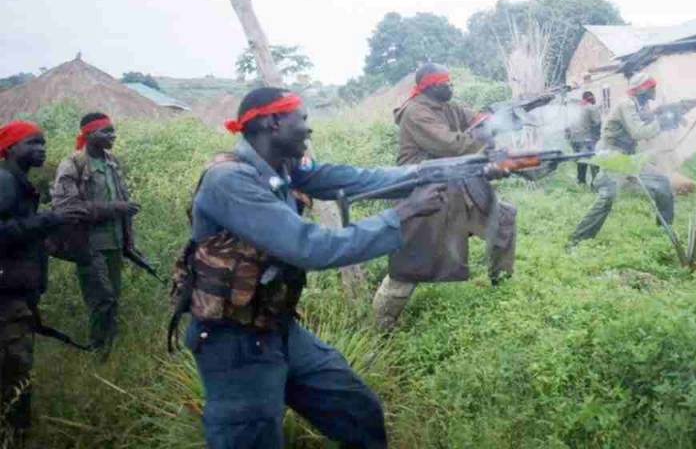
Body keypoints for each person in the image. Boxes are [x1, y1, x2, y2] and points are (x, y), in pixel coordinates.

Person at [182, 87, 445, 448]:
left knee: (355, 409)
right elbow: (311, 247)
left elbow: (357, 179)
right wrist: (402, 215)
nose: (309, 129)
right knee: (251, 438)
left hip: (278, 328)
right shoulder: (229, 181)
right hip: (234, 343)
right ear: (274, 122)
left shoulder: (283, 169)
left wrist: (436, 172)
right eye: (302, 119)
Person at [372, 63, 517, 331]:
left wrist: (503, 118)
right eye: (446, 83)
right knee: (409, 265)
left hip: (454, 188)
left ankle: (502, 288)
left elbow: (476, 120)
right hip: (422, 194)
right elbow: (450, 144)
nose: (451, 87)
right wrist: (488, 149)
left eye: (451, 82)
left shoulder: (448, 107)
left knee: (503, 219)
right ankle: (380, 326)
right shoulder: (416, 112)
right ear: (430, 86)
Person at [0, 121, 84, 443]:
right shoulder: (6, 182)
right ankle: (15, 435)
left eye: (43, 143)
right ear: (10, 148)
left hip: (14, 292)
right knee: (14, 373)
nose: (42, 149)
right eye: (32, 143)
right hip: (7, 298)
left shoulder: (17, 183)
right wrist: (47, 220)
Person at [51, 113, 141, 354]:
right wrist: (114, 209)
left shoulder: (112, 161)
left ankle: (108, 349)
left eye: (113, 130)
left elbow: (120, 200)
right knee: (101, 300)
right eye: (106, 131)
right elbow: (66, 208)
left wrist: (129, 242)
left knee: (113, 299)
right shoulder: (72, 164)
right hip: (88, 245)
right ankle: (98, 350)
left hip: (115, 244)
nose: (113, 135)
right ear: (90, 134)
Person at [568, 73, 674, 244]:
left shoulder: (640, 105)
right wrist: (661, 122)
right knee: (607, 197)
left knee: (662, 184)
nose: (654, 89)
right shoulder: (627, 104)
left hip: (628, 157)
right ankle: (577, 240)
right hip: (612, 155)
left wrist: (673, 115)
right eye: (651, 87)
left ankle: (664, 232)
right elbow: (638, 132)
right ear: (643, 90)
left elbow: (648, 121)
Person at [565, 91, 601, 186]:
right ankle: (595, 185)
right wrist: (597, 138)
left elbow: (567, 127)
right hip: (587, 139)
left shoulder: (575, 109)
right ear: (591, 98)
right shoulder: (592, 107)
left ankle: (581, 183)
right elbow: (598, 123)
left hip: (575, 140)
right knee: (594, 162)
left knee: (581, 162)